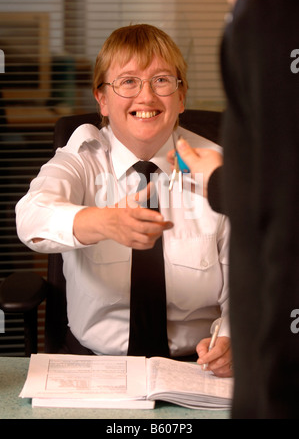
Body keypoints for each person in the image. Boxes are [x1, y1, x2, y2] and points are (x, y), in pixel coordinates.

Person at [15, 24, 232, 377]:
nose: (145, 97)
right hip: (95, 365)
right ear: (101, 98)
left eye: (161, 80)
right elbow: (30, 216)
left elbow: (248, 279)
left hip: (197, 368)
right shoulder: (81, 156)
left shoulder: (218, 167)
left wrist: (231, 339)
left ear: (181, 97)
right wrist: (102, 221)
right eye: (128, 81)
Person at [172, 0, 299, 418]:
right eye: (126, 81)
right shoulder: (262, 10)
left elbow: (283, 207)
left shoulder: (278, 9)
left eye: (163, 80)